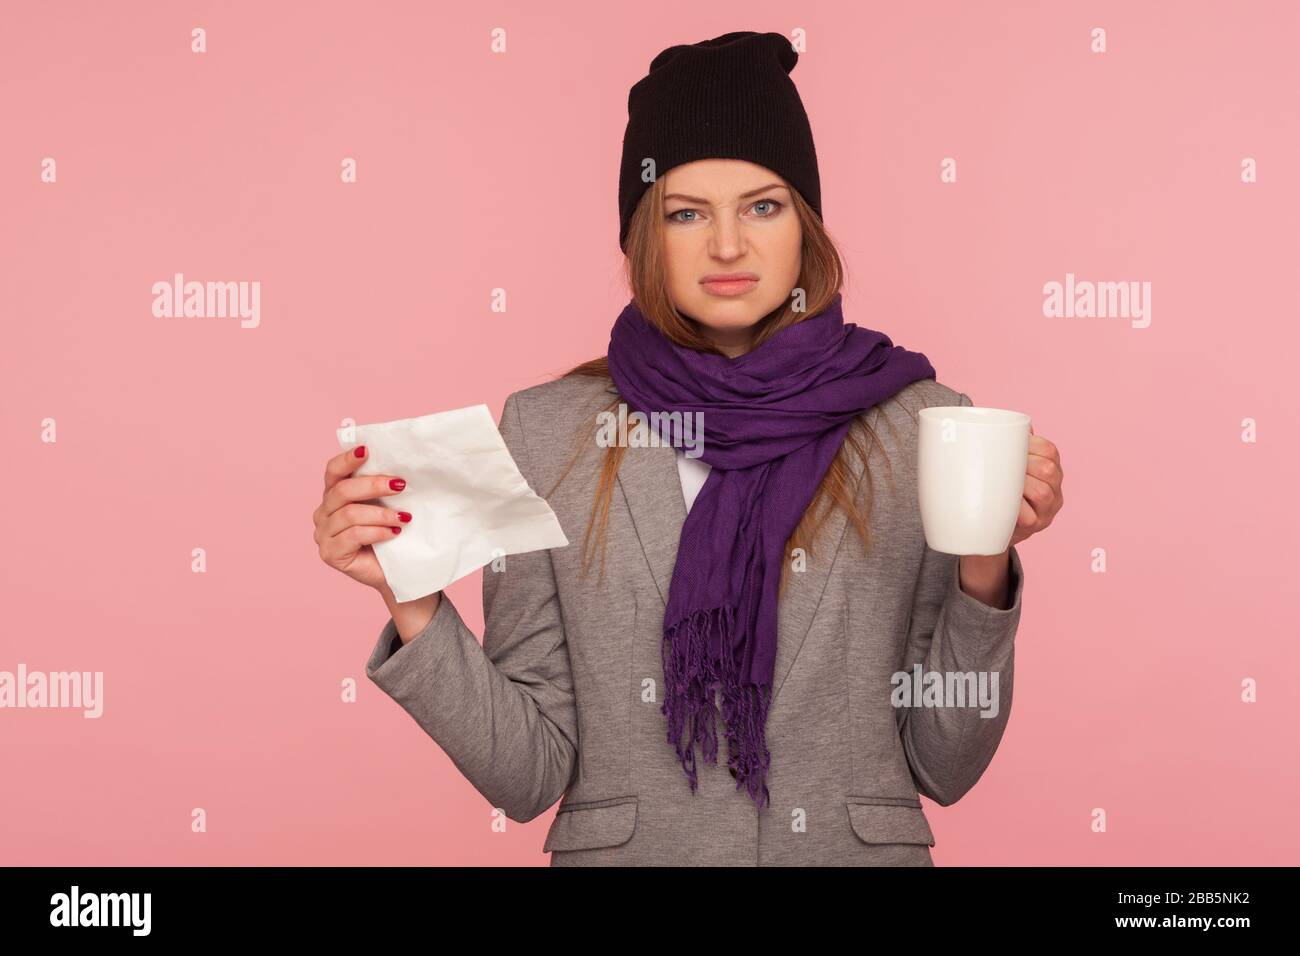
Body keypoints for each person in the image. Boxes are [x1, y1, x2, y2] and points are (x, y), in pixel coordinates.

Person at [312, 31, 1064, 866]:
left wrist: (984, 564)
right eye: (686, 212)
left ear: (806, 222)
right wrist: (410, 600)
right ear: (642, 234)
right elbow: (527, 775)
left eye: (763, 205)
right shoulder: (548, 431)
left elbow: (944, 763)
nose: (730, 246)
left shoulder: (919, 426)